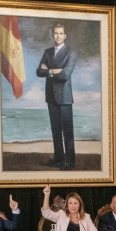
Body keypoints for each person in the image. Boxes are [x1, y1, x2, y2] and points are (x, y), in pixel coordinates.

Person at [36, 22, 78, 170]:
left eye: (61, 33)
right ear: (52, 34)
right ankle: (59, 160)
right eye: (56, 33)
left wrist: (49, 71)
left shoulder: (70, 53)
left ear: (65, 35)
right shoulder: (47, 52)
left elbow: (65, 74)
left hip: (65, 98)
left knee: (67, 132)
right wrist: (54, 71)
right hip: (51, 97)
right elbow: (38, 72)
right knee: (55, 131)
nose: (58, 36)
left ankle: (70, 162)